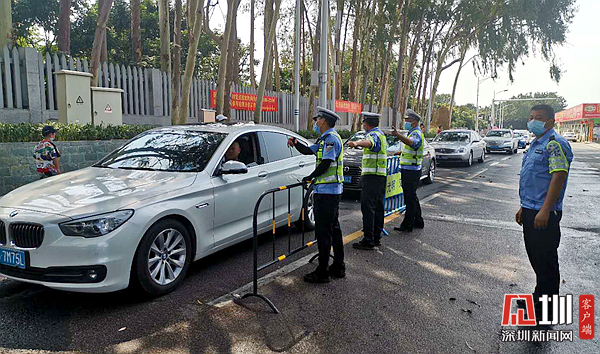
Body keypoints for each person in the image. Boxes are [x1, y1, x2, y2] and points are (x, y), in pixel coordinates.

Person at [515, 104, 573, 324]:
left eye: (538, 117)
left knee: (546, 262)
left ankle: (547, 311)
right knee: (537, 259)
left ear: (550, 121)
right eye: (531, 117)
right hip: (531, 209)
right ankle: (538, 300)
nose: (533, 121)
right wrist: (524, 207)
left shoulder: (555, 143)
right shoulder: (536, 143)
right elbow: (532, 180)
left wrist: (545, 209)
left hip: (544, 213)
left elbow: (558, 176)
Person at [287, 107, 345, 283]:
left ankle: (322, 272)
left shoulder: (331, 140)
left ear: (323, 121)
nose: (315, 122)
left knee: (324, 233)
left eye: (317, 119)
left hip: (328, 192)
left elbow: (326, 163)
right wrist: (296, 143)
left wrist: (310, 176)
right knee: (333, 229)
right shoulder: (325, 139)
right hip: (327, 191)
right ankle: (338, 267)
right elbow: (308, 151)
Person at [347, 112, 388, 250]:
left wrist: (357, 143)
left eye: (364, 122)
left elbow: (370, 143)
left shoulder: (373, 135)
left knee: (368, 208)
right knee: (377, 207)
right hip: (380, 176)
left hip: (372, 177)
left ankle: (368, 239)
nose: (363, 125)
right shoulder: (382, 134)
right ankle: (376, 237)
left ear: (367, 123)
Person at [391, 109, 424, 232]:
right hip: (411, 169)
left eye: (407, 120)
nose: (405, 122)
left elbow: (412, 143)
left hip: (411, 171)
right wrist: (401, 152)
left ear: (414, 121)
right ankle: (418, 221)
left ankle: (407, 224)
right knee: (412, 196)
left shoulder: (416, 133)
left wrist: (398, 135)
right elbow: (411, 148)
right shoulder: (413, 132)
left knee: (409, 198)